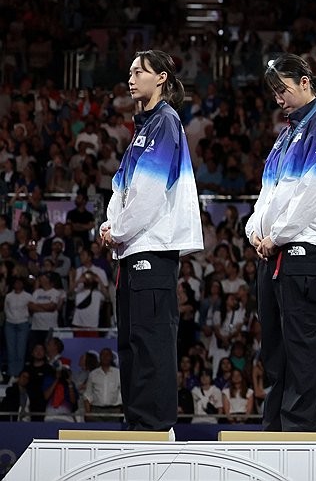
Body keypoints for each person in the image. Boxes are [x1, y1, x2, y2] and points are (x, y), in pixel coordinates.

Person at [245, 54, 316, 431]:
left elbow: (314, 193)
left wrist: (276, 236)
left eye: (284, 89)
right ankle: (274, 426)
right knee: (273, 348)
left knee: (301, 345)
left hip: (304, 250)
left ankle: (301, 430)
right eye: (274, 92)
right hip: (273, 251)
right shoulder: (285, 135)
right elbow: (266, 194)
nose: (279, 98)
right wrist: (254, 232)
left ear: (305, 82)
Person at [99, 50, 203, 431]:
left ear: (160, 78)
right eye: (128, 72)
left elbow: (149, 192)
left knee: (151, 343)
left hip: (152, 249)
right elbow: (120, 188)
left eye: (138, 72)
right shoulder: (143, 128)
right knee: (130, 342)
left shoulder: (165, 122)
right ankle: (136, 422)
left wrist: (119, 231)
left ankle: (155, 427)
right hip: (131, 250)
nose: (130, 78)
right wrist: (110, 226)